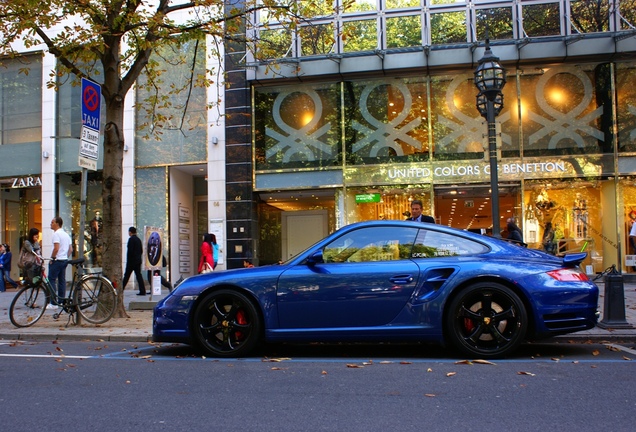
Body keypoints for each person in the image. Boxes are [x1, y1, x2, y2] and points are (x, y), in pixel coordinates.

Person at [48, 216, 72, 308]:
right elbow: (70, 249)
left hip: (57, 260)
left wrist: (52, 258)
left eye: (52, 222)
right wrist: (65, 256)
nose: (51, 224)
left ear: (57, 224)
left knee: (52, 280)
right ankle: (61, 301)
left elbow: (56, 248)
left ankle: (53, 302)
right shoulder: (66, 234)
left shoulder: (56, 234)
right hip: (64, 260)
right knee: (62, 281)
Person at [123, 227, 146, 295]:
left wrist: (129, 261)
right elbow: (141, 251)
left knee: (126, 276)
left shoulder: (131, 240)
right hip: (138, 261)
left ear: (130, 232)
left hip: (131, 262)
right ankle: (142, 290)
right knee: (139, 276)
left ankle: (121, 289)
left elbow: (130, 252)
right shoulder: (138, 240)